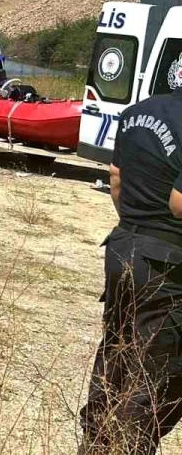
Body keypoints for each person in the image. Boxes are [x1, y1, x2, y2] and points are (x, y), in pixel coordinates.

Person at [80, 87, 182, 453]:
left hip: (124, 247)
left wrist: (134, 225)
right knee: (158, 369)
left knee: (116, 353)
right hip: (169, 262)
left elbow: (116, 179)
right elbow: (178, 203)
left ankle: (94, 443)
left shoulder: (138, 112)